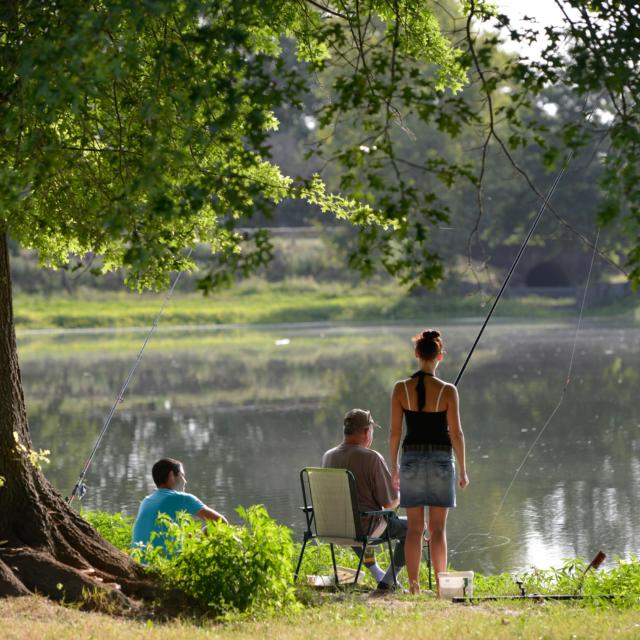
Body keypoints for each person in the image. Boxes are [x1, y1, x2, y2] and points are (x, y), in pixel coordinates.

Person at [389, 330, 469, 595]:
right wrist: (464, 470)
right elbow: (456, 434)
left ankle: (413, 588)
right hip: (441, 461)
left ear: (417, 354)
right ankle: (441, 588)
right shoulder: (448, 390)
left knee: (414, 529)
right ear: (440, 357)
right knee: (437, 529)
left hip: (410, 459)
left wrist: (394, 467)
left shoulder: (400, 389)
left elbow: (394, 433)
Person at [322, 408, 407, 590]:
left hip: (333, 527)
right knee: (416, 527)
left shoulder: (328, 456)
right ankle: (388, 580)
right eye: (372, 431)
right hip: (363, 528)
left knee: (353, 519)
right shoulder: (372, 458)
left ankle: (378, 575)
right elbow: (390, 503)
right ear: (366, 432)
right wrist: (401, 489)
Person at [132, 457, 227, 553]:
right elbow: (222, 522)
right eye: (182, 475)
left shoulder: (146, 501)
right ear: (171, 475)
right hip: (165, 566)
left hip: (137, 562)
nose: (185, 481)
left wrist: (191, 537)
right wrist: (199, 538)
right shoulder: (182, 498)